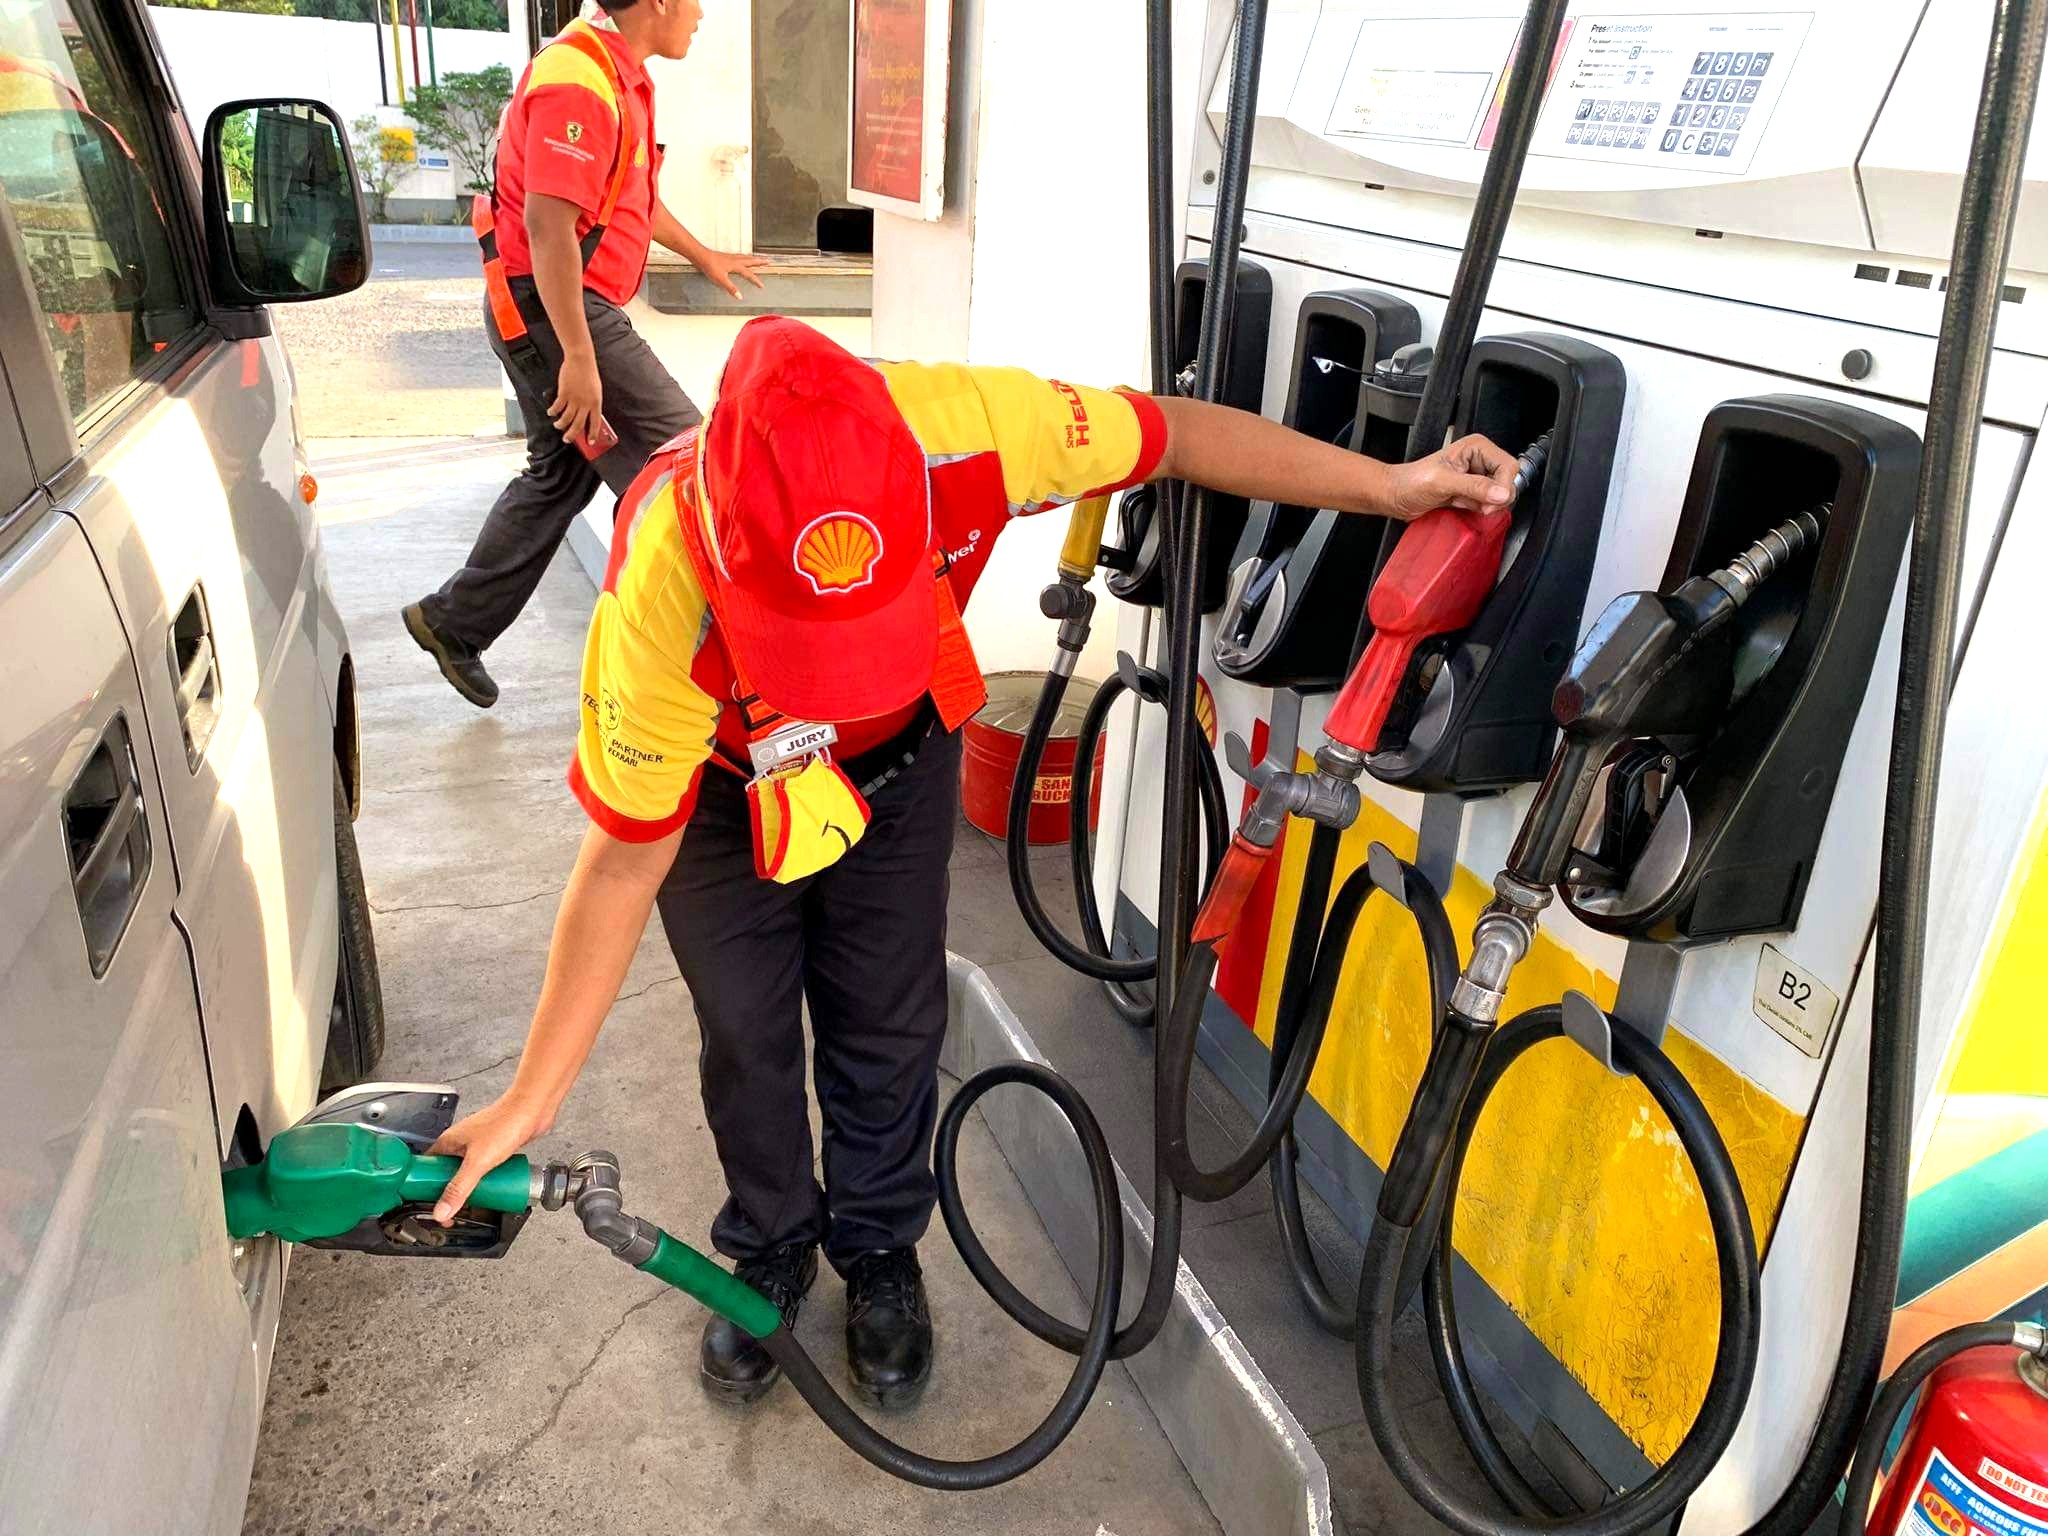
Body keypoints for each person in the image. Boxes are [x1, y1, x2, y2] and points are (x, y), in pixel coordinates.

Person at [426, 317, 1521, 1410]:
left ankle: (878, 1255)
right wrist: (534, 1094)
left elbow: (1175, 432)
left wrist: (1390, 486)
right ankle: (766, 1249)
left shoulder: (973, 429)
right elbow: (620, 868)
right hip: (723, 791)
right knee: (746, 1035)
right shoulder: (664, 569)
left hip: (901, 766)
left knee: (888, 1022)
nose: (829, 680)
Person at [403, 0, 768, 709]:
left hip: (557, 308)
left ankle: (453, 623)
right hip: (555, 311)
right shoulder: (580, 81)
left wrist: (704, 254)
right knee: (689, 464)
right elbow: (548, 227)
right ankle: (710, 678)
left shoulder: (615, 72)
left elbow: (628, 196)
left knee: (562, 474)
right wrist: (578, 355)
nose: (701, 14)